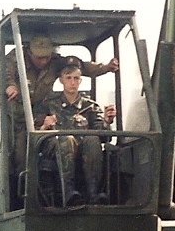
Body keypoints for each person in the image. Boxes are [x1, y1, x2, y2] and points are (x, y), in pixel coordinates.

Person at [5, 34, 118, 175]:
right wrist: (10, 86)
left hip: (42, 110)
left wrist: (106, 67)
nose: (43, 61)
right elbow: (6, 73)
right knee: (22, 157)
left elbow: (80, 67)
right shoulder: (15, 58)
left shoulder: (55, 62)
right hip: (20, 117)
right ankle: (23, 192)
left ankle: (85, 193)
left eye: (46, 57)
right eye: (39, 58)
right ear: (29, 52)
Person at [37, 58, 116, 206]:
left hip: (84, 151)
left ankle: (94, 194)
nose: (72, 82)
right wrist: (44, 126)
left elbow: (104, 137)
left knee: (92, 139)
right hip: (56, 150)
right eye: (68, 78)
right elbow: (36, 136)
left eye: (76, 78)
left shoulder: (90, 106)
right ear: (61, 80)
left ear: (80, 81)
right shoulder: (48, 104)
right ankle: (68, 191)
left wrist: (106, 121)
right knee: (66, 139)